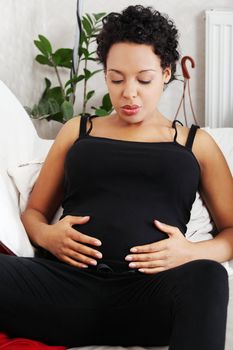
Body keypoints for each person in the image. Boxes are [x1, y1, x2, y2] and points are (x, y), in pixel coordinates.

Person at [0, 4, 232, 350]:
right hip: (67, 290)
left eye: (144, 79)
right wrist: (48, 236)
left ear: (166, 73)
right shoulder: (76, 131)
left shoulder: (196, 144)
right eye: (116, 78)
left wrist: (190, 252)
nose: (129, 93)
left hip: (149, 297)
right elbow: (33, 214)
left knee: (209, 276)